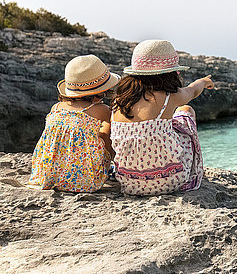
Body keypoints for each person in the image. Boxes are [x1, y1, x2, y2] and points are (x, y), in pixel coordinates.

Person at [110, 39, 213, 195]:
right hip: (171, 180)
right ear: (171, 73)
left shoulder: (120, 100)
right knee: (186, 110)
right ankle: (190, 168)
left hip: (130, 183)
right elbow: (192, 91)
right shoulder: (169, 97)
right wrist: (203, 81)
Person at [28, 55, 120, 192]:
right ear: (102, 91)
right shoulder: (101, 110)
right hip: (83, 180)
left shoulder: (56, 108)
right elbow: (116, 130)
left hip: (46, 176)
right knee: (108, 127)